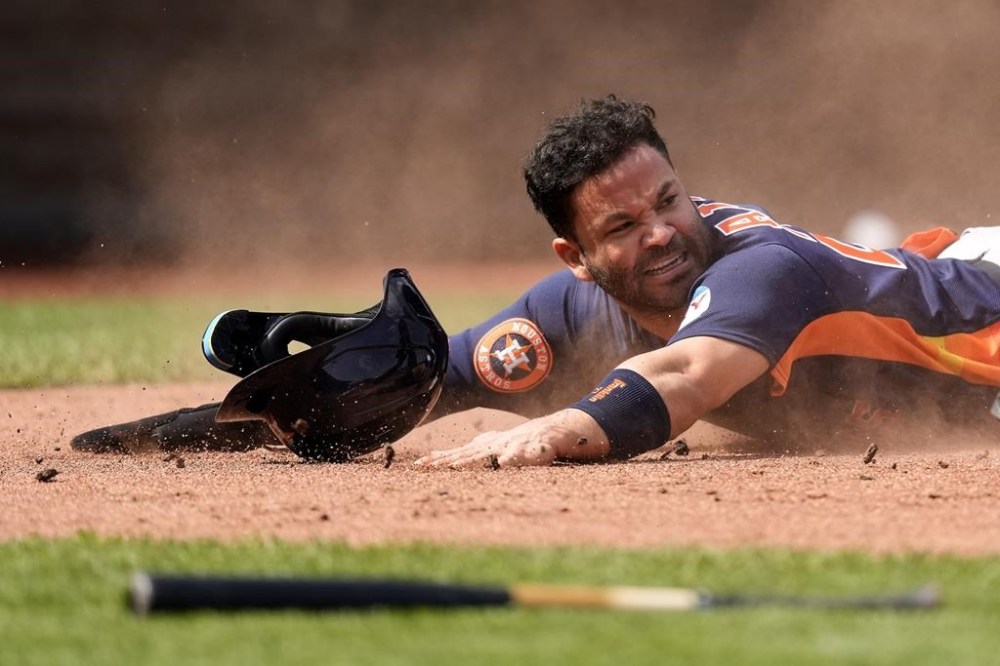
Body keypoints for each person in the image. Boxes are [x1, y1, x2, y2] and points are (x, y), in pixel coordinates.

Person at [72, 96, 1000, 465]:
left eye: (670, 200)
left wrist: (552, 435)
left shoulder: (762, 270)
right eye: (624, 227)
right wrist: (166, 435)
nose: (666, 234)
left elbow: (680, 380)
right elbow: (410, 387)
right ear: (576, 257)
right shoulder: (570, 314)